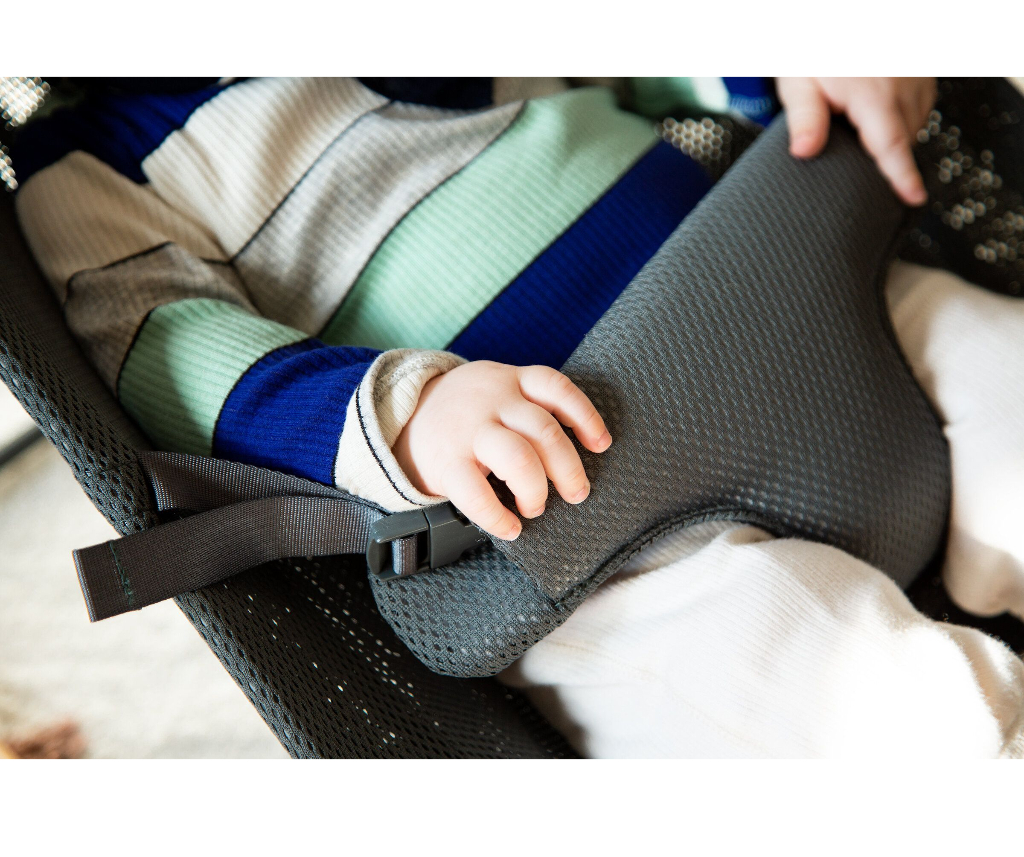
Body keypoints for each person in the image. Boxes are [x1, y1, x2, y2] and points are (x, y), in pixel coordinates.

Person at [14, 76, 1024, 756]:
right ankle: (969, 730)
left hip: (803, 291)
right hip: (584, 512)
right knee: (759, 662)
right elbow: (175, 355)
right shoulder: (88, 170)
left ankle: (995, 542)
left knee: (994, 363)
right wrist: (406, 414)